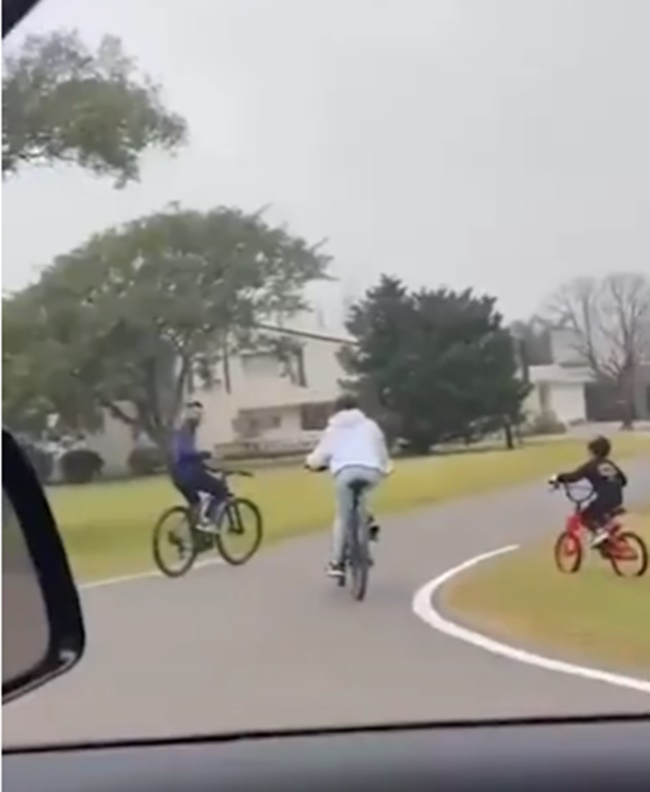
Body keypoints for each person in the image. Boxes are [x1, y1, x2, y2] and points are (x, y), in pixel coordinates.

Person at [305, 394, 392, 577]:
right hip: (371, 471)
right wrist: (385, 467)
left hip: (345, 473)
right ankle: (367, 519)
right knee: (363, 493)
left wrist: (311, 464)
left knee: (342, 516)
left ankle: (337, 563)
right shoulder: (370, 426)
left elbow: (320, 455)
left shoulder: (334, 429)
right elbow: (381, 452)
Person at [550, 435, 627, 547]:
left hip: (604, 499)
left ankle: (600, 533)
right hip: (618, 498)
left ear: (592, 451)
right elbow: (624, 480)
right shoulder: (610, 464)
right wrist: (609, 482)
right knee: (600, 514)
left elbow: (573, 477)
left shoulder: (590, 465)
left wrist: (558, 477)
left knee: (585, 516)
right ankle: (609, 531)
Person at [170, 400, 228, 531]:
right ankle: (209, 522)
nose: (200, 419)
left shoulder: (183, 429)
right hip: (189, 474)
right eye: (198, 416)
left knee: (195, 503)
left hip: (178, 475)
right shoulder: (185, 430)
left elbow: (187, 457)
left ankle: (192, 534)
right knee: (221, 490)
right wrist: (204, 454)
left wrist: (208, 466)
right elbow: (185, 452)